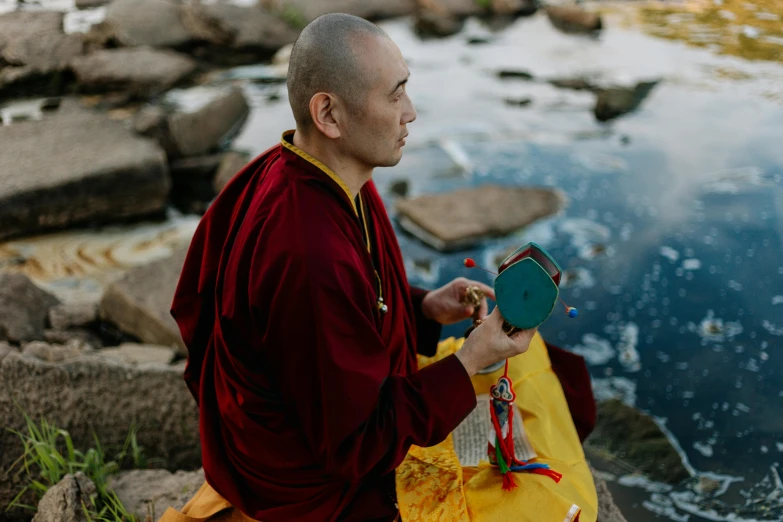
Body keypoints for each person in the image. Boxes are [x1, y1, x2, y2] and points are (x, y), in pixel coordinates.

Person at [168, 13, 538, 522]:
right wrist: (468, 361)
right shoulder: (306, 251)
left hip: (319, 419)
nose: (411, 112)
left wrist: (423, 308)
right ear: (329, 114)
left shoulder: (313, 170)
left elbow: (353, 300)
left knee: (548, 389)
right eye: (395, 94)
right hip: (310, 484)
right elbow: (358, 444)